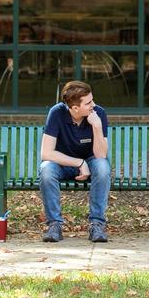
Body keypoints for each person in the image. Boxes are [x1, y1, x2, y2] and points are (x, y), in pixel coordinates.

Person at [39, 81, 111, 243]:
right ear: (75, 108)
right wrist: (79, 163)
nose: (93, 105)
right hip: (63, 164)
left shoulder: (98, 113)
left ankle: (97, 224)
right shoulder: (56, 113)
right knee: (46, 169)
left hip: (92, 161)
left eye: (92, 100)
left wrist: (97, 127)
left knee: (103, 167)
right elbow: (46, 153)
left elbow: (101, 154)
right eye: (88, 103)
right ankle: (54, 225)